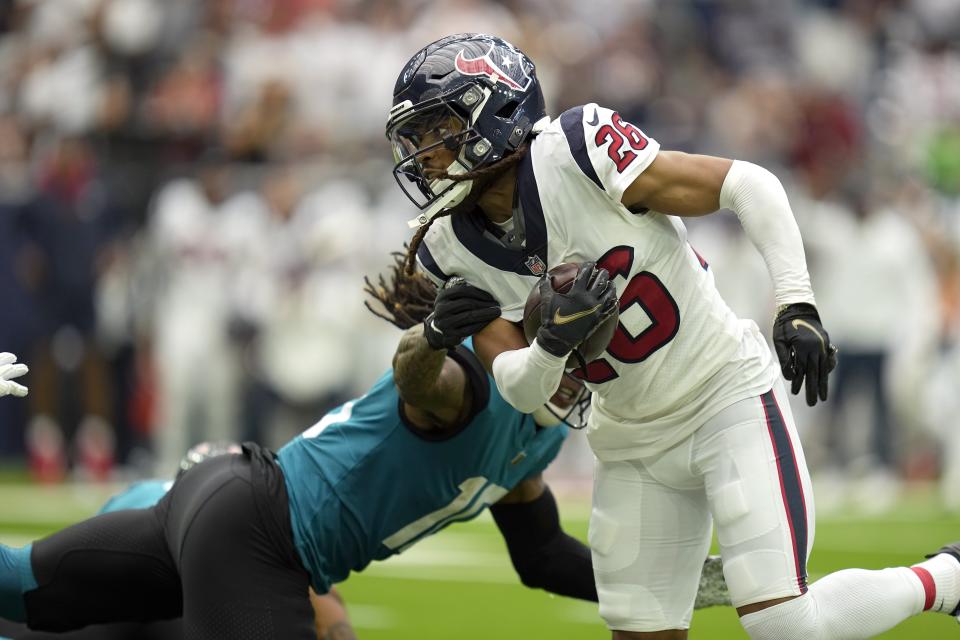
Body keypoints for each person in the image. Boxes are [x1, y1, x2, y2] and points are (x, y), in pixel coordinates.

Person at [385, 32, 960, 639]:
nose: (423, 152)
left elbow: (747, 184)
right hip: (631, 438)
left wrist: (796, 304)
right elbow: (525, 394)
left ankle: (947, 579)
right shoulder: (450, 243)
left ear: (497, 112)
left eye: (436, 128)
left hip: (723, 395)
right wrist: (553, 344)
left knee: (786, 624)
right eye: (417, 136)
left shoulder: (576, 150)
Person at [0, 260, 730, 640]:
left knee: (21, 589)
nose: (592, 379)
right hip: (260, 533)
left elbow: (543, 559)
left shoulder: (530, 439)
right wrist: (431, 335)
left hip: (223, 506)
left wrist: (707, 582)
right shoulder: (477, 381)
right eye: (587, 360)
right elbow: (419, 377)